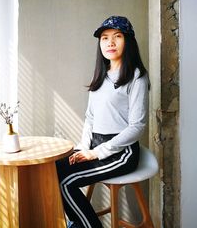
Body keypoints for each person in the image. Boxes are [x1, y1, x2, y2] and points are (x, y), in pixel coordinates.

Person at [56, 15, 149, 228]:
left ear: (129, 41)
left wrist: (96, 153)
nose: (110, 43)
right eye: (105, 38)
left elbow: (137, 126)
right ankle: (80, 224)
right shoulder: (102, 75)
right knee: (54, 169)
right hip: (95, 145)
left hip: (121, 152)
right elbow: (90, 117)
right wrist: (83, 148)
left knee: (66, 182)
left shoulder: (137, 76)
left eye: (117, 37)